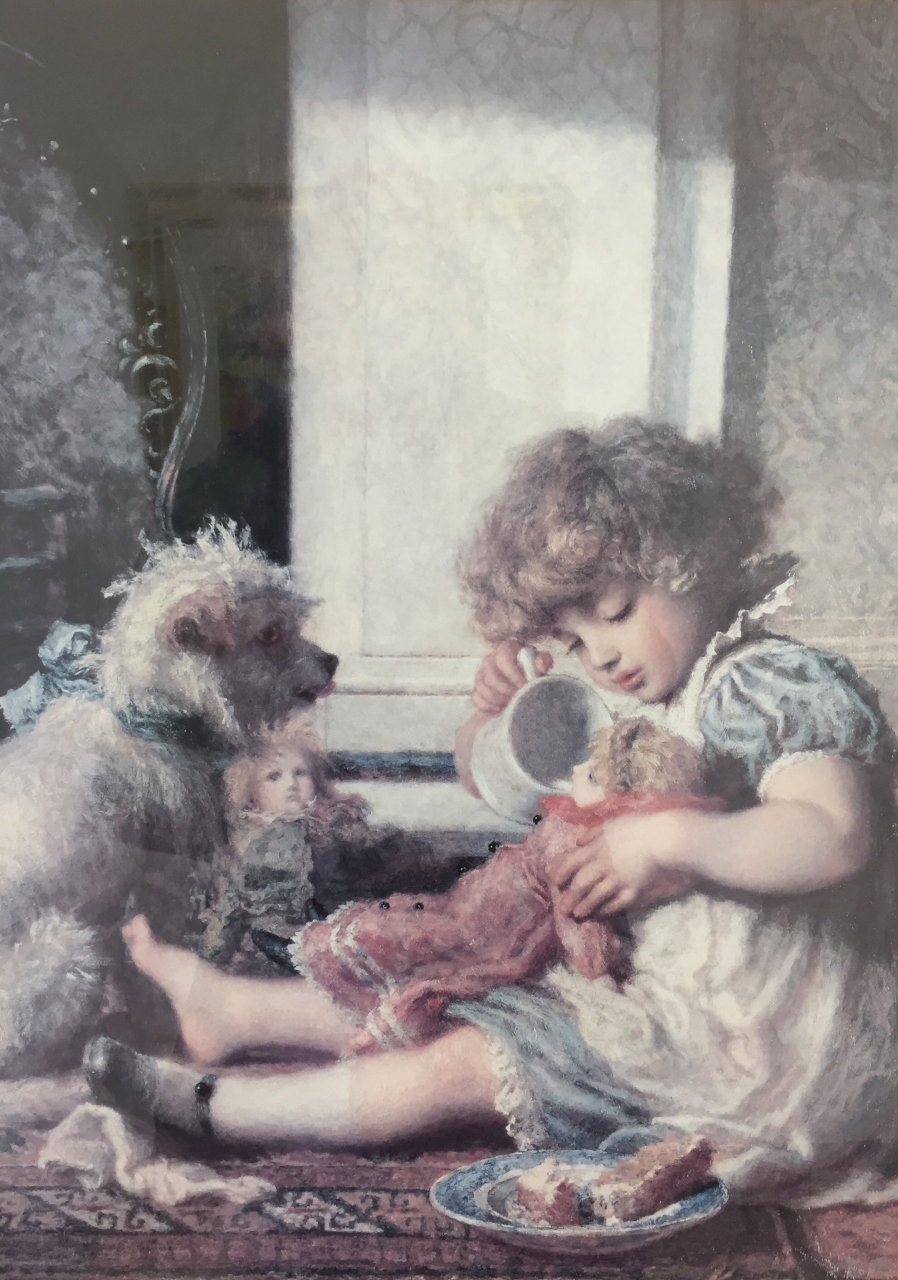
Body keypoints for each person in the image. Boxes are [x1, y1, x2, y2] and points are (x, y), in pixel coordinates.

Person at [84, 419, 898, 1207]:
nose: (601, 655)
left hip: (759, 1054)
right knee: (447, 988)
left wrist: (671, 839)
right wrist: (488, 720)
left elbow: (834, 837)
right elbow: (500, 785)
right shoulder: (650, 684)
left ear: (694, 560)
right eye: (574, 640)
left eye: (613, 613)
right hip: (657, 996)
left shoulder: (771, 683)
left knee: (463, 1061)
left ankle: (216, 1110)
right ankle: (236, 1009)